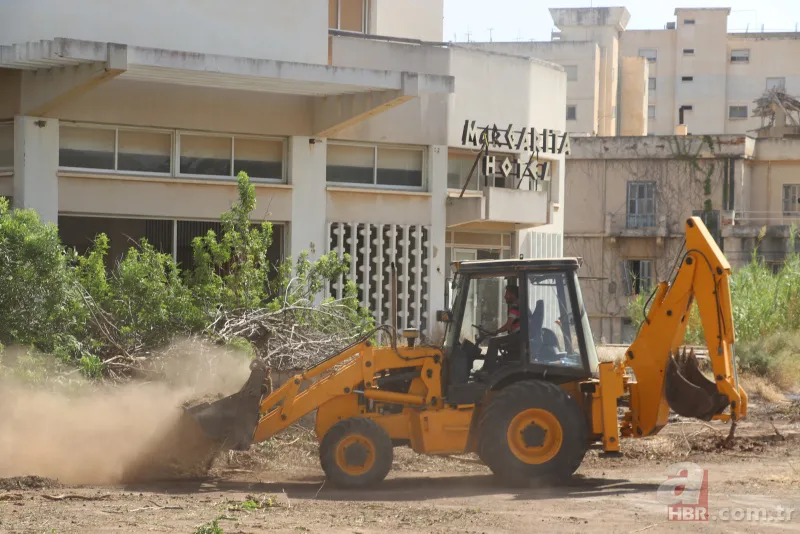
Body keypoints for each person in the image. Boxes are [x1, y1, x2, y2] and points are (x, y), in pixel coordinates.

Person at [480, 284, 521, 375]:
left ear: (513, 295)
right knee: (497, 341)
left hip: (518, 337)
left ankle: (489, 370)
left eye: (507, 294)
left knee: (493, 342)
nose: (505, 296)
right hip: (519, 336)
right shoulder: (520, 305)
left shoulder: (515, 307)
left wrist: (495, 332)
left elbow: (507, 326)